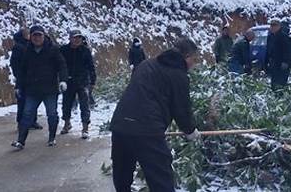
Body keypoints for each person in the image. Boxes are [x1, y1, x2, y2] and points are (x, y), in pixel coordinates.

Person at [110, 38, 201, 192]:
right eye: (194, 59)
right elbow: (181, 109)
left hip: (121, 125)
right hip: (147, 130)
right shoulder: (179, 76)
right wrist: (190, 131)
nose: (194, 63)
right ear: (185, 57)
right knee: (161, 178)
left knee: (122, 174)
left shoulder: (146, 64)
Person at [11, 25, 68, 149]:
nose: (37, 38)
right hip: (32, 90)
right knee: (27, 114)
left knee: (52, 114)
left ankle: (52, 138)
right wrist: (18, 86)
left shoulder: (53, 49)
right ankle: (21, 141)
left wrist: (63, 80)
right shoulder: (27, 51)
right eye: (34, 35)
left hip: (50, 89)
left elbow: (62, 65)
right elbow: (22, 71)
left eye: (39, 35)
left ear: (44, 36)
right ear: (30, 37)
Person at [60, 30, 97, 139]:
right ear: (70, 38)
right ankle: (67, 123)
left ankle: (85, 128)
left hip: (83, 81)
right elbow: (59, 65)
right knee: (66, 104)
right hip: (68, 82)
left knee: (84, 105)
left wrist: (93, 81)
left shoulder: (85, 51)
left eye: (79, 38)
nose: (77, 40)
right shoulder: (63, 50)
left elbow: (91, 66)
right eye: (75, 38)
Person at [9, 28, 43, 130]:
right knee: (23, 102)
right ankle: (21, 123)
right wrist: (19, 76)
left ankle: (32, 121)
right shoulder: (19, 47)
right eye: (28, 34)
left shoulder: (29, 45)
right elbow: (15, 63)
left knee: (33, 100)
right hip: (23, 78)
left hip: (32, 78)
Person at [264, 19, 291, 90]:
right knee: (274, 84)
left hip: (282, 64)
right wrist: (265, 63)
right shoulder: (270, 37)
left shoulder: (284, 36)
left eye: (274, 25)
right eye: (271, 25)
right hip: (273, 64)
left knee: (281, 84)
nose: (272, 27)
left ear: (279, 26)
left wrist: (285, 62)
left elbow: (288, 50)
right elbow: (268, 50)